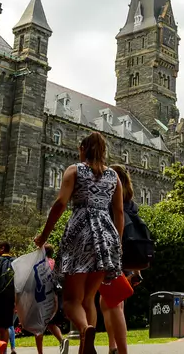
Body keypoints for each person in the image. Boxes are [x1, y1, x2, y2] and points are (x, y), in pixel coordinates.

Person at [34, 131, 124, 354]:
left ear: (83, 149)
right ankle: (86, 346)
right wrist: (117, 244)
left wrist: (44, 236)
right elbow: (119, 212)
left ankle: (85, 329)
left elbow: (60, 204)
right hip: (106, 237)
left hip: (80, 233)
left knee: (71, 300)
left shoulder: (74, 170)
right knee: (89, 298)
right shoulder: (114, 176)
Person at [100, 164, 140, 354]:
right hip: (126, 257)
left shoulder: (112, 201)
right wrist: (136, 270)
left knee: (110, 302)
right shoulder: (131, 203)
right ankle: (114, 346)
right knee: (114, 302)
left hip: (113, 252)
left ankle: (115, 348)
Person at [34, 244, 70, 354]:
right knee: (50, 322)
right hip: (57, 296)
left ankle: (40, 352)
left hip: (43, 297)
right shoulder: (56, 263)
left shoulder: (40, 264)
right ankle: (62, 340)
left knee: (38, 325)